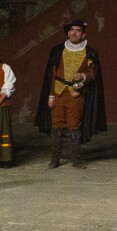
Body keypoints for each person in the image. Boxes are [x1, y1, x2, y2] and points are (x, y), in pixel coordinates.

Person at [36, 19, 107, 168]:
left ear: (83, 34)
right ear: (68, 33)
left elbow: (94, 75)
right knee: (57, 126)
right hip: (58, 93)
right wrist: (50, 95)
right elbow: (52, 74)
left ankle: (76, 160)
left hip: (76, 95)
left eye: (78, 30)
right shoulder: (57, 50)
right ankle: (55, 159)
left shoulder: (90, 53)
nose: (74, 33)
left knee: (74, 127)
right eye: (72, 30)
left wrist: (83, 76)